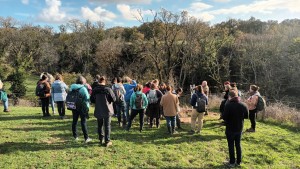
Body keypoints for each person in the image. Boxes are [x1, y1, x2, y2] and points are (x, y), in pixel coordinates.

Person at [223, 89, 249, 167]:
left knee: (231, 145)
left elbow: (224, 117)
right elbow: (246, 116)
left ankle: (232, 162)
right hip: (239, 128)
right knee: (238, 144)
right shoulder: (243, 105)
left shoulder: (228, 105)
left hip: (230, 128)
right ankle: (238, 161)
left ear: (230, 96)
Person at [91, 76, 116, 147]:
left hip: (99, 108)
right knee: (107, 125)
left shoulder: (95, 90)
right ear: (105, 81)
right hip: (107, 109)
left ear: (99, 81)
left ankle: (101, 138)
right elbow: (114, 99)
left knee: (100, 125)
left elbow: (92, 100)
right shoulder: (108, 89)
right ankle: (107, 140)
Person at [70, 76, 91, 143]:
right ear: (83, 82)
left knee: (74, 121)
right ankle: (86, 138)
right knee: (83, 122)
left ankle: (75, 136)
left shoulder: (72, 87)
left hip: (74, 106)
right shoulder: (83, 88)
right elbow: (87, 98)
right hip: (82, 106)